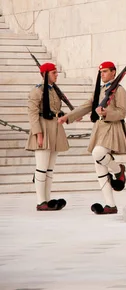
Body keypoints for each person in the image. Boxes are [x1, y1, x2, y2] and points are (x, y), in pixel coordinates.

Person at [59, 61, 126, 215]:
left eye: (105, 71)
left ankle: (118, 170)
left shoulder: (120, 90)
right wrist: (67, 117)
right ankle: (110, 205)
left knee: (98, 153)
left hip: (112, 128)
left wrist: (106, 114)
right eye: (101, 72)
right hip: (99, 128)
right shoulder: (100, 90)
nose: (102, 74)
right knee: (99, 166)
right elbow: (87, 106)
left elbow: (122, 112)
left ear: (113, 72)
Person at [26, 62, 69, 211]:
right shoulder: (37, 91)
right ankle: (40, 201)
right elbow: (32, 113)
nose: (57, 75)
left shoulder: (54, 90)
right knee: (42, 167)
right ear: (45, 75)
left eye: (56, 72)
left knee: (50, 168)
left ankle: (48, 199)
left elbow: (57, 110)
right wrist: (38, 134)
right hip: (43, 129)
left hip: (55, 129)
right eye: (53, 73)